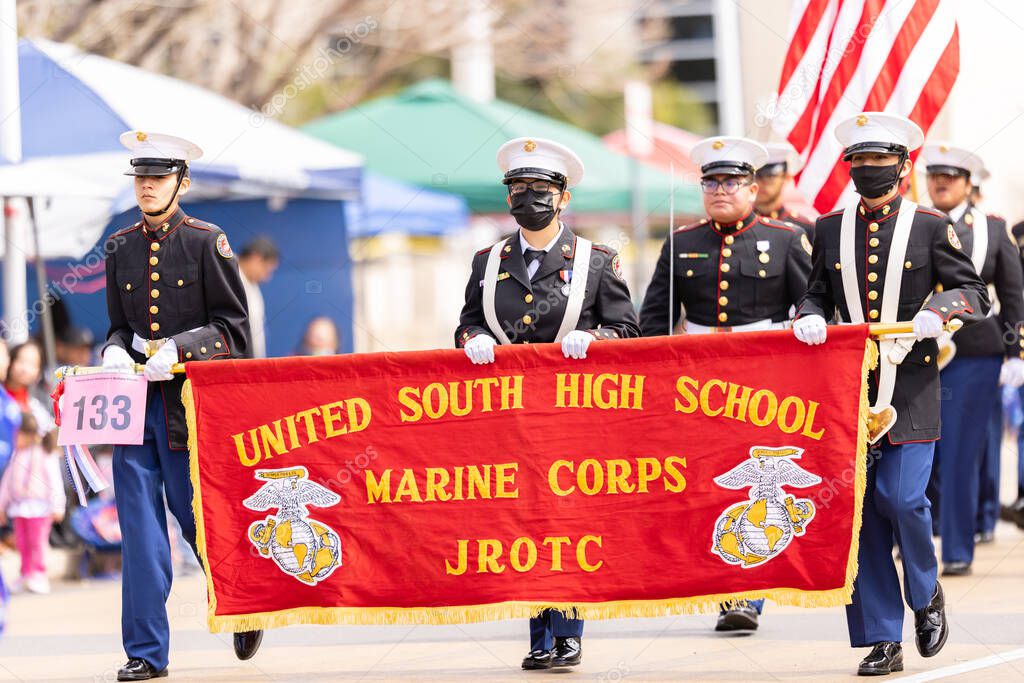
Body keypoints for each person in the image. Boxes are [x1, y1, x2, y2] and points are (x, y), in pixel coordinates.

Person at [793, 112, 990, 676]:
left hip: (912, 382)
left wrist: (938, 311)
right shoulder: (829, 228)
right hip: (847, 385)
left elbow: (973, 292)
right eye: (859, 163)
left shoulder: (929, 225)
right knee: (860, 515)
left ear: (903, 168)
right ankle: (881, 636)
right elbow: (817, 292)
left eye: (879, 162)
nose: (867, 172)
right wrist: (808, 316)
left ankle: (925, 593)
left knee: (901, 499)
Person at [456, 137, 640, 671]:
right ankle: (538, 633)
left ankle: (569, 630)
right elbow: (467, 320)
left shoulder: (596, 260)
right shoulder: (487, 260)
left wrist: (597, 341)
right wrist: (473, 340)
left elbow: (627, 330)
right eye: (517, 188)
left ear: (562, 198)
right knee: (522, 519)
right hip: (509, 413)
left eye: (539, 189)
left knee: (565, 517)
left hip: (572, 414)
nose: (526, 197)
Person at [638, 136, 811, 633]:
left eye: (731, 181)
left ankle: (747, 591)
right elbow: (655, 320)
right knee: (706, 479)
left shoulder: (783, 238)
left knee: (756, 481)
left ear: (753, 188)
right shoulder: (682, 242)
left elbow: (814, 309)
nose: (720, 190)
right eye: (711, 181)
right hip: (698, 380)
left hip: (765, 380)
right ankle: (719, 578)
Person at [100, 131, 256, 681]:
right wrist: (115, 348)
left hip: (189, 407)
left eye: (158, 177)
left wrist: (182, 349)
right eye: (141, 177)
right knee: (140, 535)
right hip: (135, 406)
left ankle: (243, 601)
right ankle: (145, 652)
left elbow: (235, 331)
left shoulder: (206, 241)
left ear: (181, 182)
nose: (147, 186)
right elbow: (119, 324)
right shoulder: (119, 247)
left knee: (201, 523)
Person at [919, 143, 1024, 575]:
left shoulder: (992, 229)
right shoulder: (914, 223)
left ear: (967, 184)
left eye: (951, 177)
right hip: (914, 352)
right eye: (935, 176)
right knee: (917, 455)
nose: (942, 183)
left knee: (960, 452)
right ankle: (917, 541)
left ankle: (957, 550)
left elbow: (1014, 294)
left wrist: (1014, 349)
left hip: (974, 354)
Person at [0, 415, 65, 594]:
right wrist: (1, 505)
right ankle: (26, 573)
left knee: (37, 542)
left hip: (40, 508)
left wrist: (58, 505)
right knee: (22, 542)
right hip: (19, 508)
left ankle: (38, 574)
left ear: (28, 434)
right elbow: (7, 482)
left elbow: (55, 481)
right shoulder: (17, 455)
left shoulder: (44, 454)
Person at [754, 141, 816, 239]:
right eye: (755, 176)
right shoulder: (737, 225)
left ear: (786, 178)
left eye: (769, 177)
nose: (760, 183)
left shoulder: (805, 228)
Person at [237, 236, 279, 358]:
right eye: (267, 269)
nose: (267, 277)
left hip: (250, 366)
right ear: (256, 258)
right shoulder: (227, 277)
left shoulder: (253, 286)